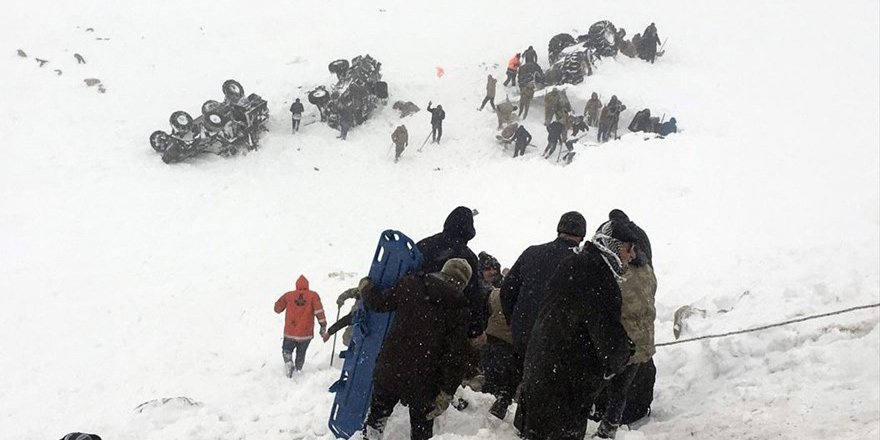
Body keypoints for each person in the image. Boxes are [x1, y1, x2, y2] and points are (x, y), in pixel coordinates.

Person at [513, 220, 638, 440]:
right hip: (564, 388)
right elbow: (609, 340)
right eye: (629, 248)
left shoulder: (572, 264)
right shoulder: (600, 278)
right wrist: (623, 352)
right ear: (613, 246)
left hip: (540, 373)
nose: (633, 255)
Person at [360, 259, 472, 440]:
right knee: (421, 429)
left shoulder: (411, 284)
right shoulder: (459, 307)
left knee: (376, 420)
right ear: (463, 283)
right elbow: (456, 355)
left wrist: (366, 288)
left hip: (391, 367)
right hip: (425, 379)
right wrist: (446, 392)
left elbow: (379, 303)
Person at [593, 210, 656, 439]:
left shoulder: (617, 272)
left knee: (610, 383)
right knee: (628, 384)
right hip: (642, 342)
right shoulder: (647, 270)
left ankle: (606, 422)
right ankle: (616, 422)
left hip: (619, 343)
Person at [416, 207, 486, 341]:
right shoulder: (467, 257)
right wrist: (476, 328)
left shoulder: (424, 244)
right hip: (444, 323)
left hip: (413, 312)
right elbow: (473, 294)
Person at [273, 275, 327, 377]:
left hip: (290, 332)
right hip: (305, 333)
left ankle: (289, 363)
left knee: (287, 350)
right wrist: (323, 325)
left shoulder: (289, 296)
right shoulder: (313, 296)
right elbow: (319, 312)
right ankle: (298, 369)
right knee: (301, 353)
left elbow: (277, 308)